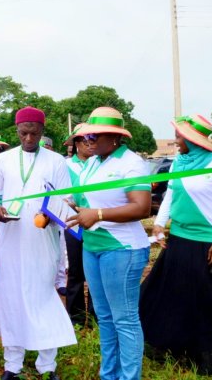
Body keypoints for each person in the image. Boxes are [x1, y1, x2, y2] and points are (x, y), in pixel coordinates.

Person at [140, 114, 212, 375]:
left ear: (192, 140)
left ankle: (205, 353)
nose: (175, 141)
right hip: (180, 240)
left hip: (208, 243)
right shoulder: (178, 163)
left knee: (206, 302)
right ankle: (175, 345)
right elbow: (171, 194)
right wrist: (160, 223)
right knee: (173, 295)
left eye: (179, 136)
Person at [0, 107, 76, 380]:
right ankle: (12, 365)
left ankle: (47, 366)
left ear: (42, 131)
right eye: (23, 133)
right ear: (16, 131)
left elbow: (67, 199)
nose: (28, 138)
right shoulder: (3, 161)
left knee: (43, 298)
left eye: (34, 133)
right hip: (11, 238)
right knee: (11, 298)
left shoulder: (56, 161)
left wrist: (50, 215)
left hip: (42, 240)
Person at [67, 107, 152, 380]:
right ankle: (109, 374)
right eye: (86, 135)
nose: (88, 140)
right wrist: (74, 205)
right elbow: (90, 201)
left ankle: (129, 376)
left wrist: (98, 214)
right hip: (93, 247)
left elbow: (142, 207)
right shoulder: (93, 162)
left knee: (124, 319)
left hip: (122, 250)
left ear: (115, 138)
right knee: (104, 317)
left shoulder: (131, 163)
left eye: (95, 135)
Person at [63, 125, 95, 327]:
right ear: (76, 144)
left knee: (95, 271)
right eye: (86, 141)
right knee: (76, 272)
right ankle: (75, 319)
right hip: (74, 223)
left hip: (96, 223)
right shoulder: (67, 166)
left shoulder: (98, 165)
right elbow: (61, 194)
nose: (90, 144)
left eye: (93, 140)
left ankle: (95, 316)